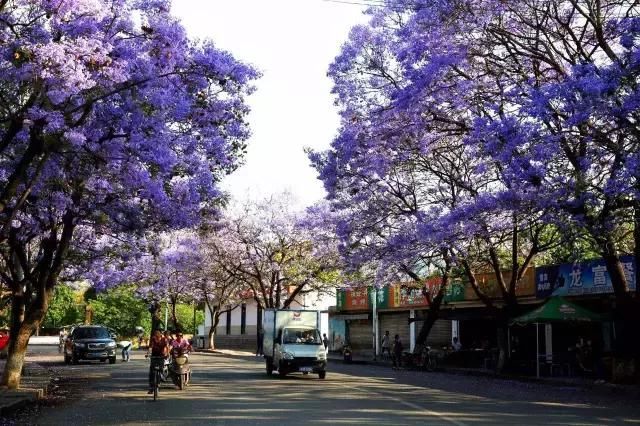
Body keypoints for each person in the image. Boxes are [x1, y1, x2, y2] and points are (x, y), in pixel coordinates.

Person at [146, 330, 168, 394]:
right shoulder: (153, 339)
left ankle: (161, 377)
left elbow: (167, 347)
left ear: (160, 334)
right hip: (154, 356)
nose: (156, 335)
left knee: (161, 368)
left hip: (161, 356)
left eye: (158, 333)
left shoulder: (164, 339)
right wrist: (148, 354)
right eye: (155, 333)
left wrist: (167, 354)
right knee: (152, 371)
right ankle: (151, 387)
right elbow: (150, 347)